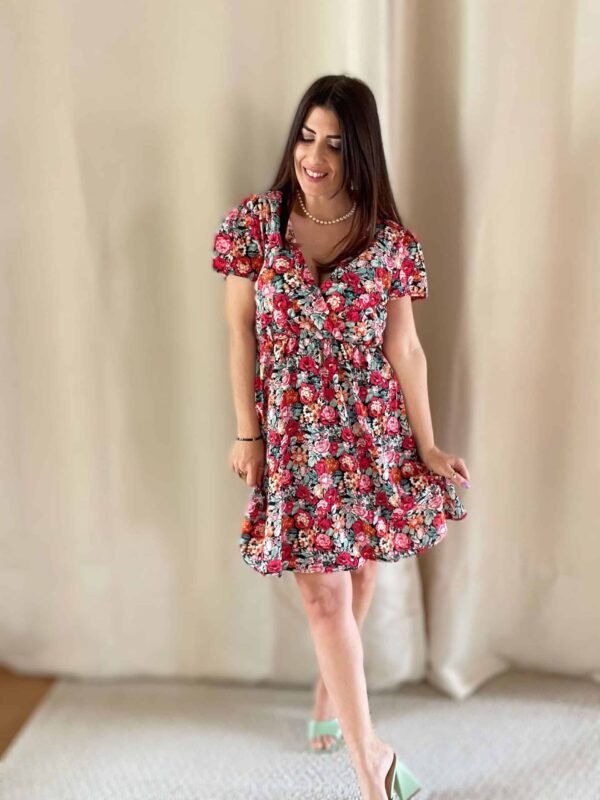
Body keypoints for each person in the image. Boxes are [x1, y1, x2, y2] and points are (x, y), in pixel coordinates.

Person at [211, 74, 470, 800]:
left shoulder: (390, 242)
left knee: (357, 574)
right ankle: (371, 764)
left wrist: (427, 445)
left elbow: (405, 350)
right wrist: (247, 435)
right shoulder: (256, 224)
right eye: (306, 137)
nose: (314, 157)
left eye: (332, 143)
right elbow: (240, 334)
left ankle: (331, 694)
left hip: (371, 431)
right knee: (323, 597)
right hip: (294, 434)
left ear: (359, 152)